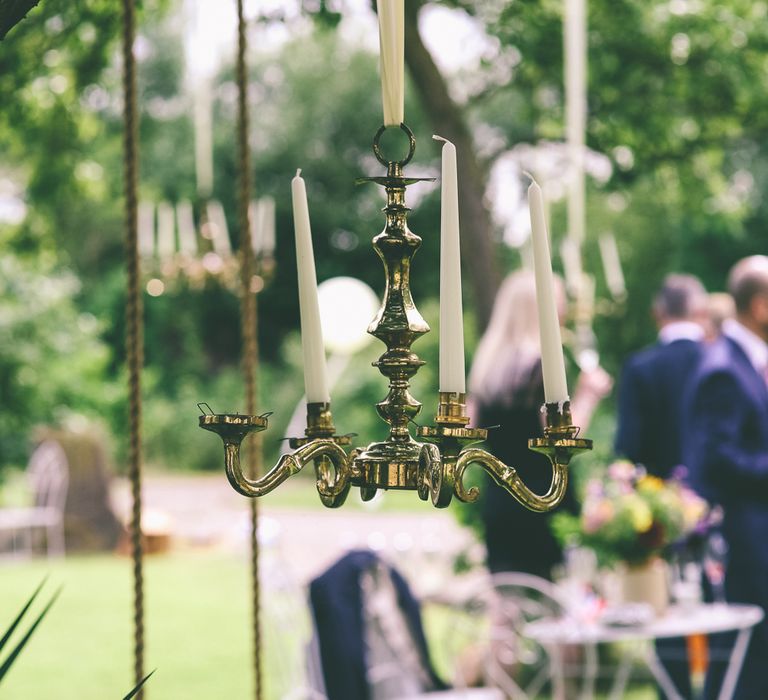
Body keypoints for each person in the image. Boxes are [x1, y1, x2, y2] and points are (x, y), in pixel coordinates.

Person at [468, 270, 611, 578]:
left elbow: (468, 427)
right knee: (546, 603)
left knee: (509, 599)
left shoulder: (487, 366)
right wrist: (588, 396)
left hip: (501, 498)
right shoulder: (540, 367)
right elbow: (560, 438)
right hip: (541, 498)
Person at [683, 256, 768, 700]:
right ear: (761, 305)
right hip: (745, 543)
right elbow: (718, 460)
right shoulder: (723, 368)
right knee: (748, 662)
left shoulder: (748, 361)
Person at [615, 274, 709, 478]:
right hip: (716, 495)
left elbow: (629, 445)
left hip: (658, 497)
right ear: (701, 312)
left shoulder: (639, 367)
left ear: (656, 313)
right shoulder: (720, 364)